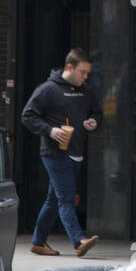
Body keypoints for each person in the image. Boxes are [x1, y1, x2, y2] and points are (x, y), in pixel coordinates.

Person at [22, 48, 103, 258]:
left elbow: (97, 112)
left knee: (54, 199)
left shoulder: (85, 91)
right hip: (53, 153)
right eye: (82, 72)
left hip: (76, 151)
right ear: (69, 67)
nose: (85, 77)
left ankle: (38, 242)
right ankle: (79, 240)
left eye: (87, 73)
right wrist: (50, 130)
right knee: (66, 197)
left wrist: (93, 122)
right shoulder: (48, 89)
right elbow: (28, 115)